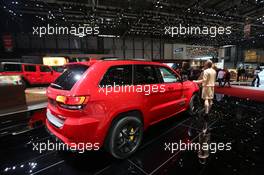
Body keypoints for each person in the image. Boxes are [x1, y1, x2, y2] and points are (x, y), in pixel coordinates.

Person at [193, 60, 216, 133]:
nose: (204, 65)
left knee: (206, 100)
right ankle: (208, 111)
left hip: (206, 87)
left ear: (206, 65)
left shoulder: (206, 71)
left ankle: (206, 113)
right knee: (210, 100)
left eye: (205, 64)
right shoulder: (214, 71)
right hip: (212, 87)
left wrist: (195, 81)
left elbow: (204, 80)